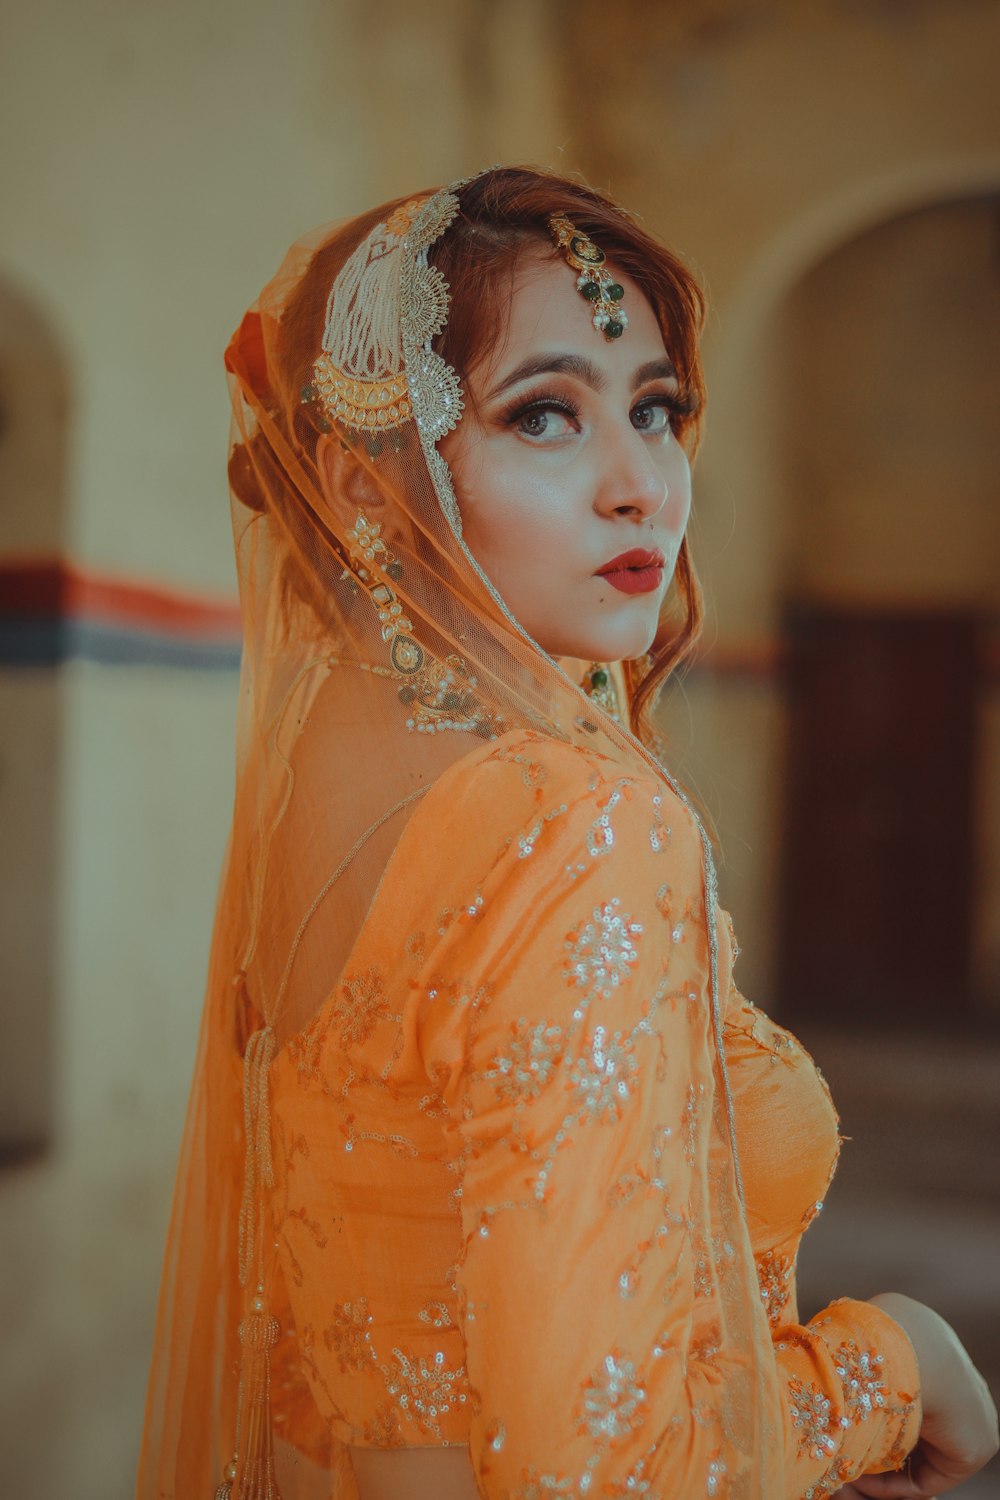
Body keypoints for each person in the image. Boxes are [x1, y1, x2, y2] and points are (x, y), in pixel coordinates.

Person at [136, 167, 997, 1500]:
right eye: (545, 415)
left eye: (655, 410)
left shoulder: (320, 786)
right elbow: (623, 1469)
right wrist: (892, 1368)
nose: (641, 484)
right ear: (363, 483)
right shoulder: (583, 826)